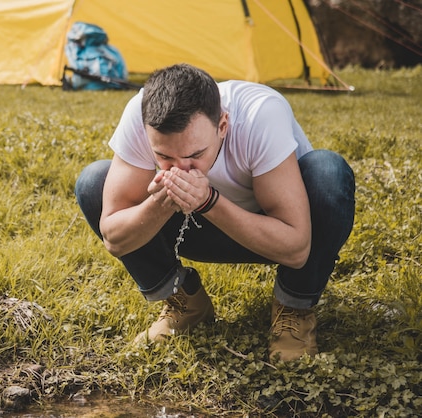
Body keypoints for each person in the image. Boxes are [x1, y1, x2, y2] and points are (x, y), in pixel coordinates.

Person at [74, 63, 355, 362]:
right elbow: (115, 238)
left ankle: (294, 310)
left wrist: (208, 201)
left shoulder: (260, 114)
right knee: (94, 182)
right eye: (164, 157)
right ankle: (186, 302)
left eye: (195, 154)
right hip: (192, 229)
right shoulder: (140, 113)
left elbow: (297, 249)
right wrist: (164, 200)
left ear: (222, 125)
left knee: (328, 173)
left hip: (269, 231)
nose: (181, 169)